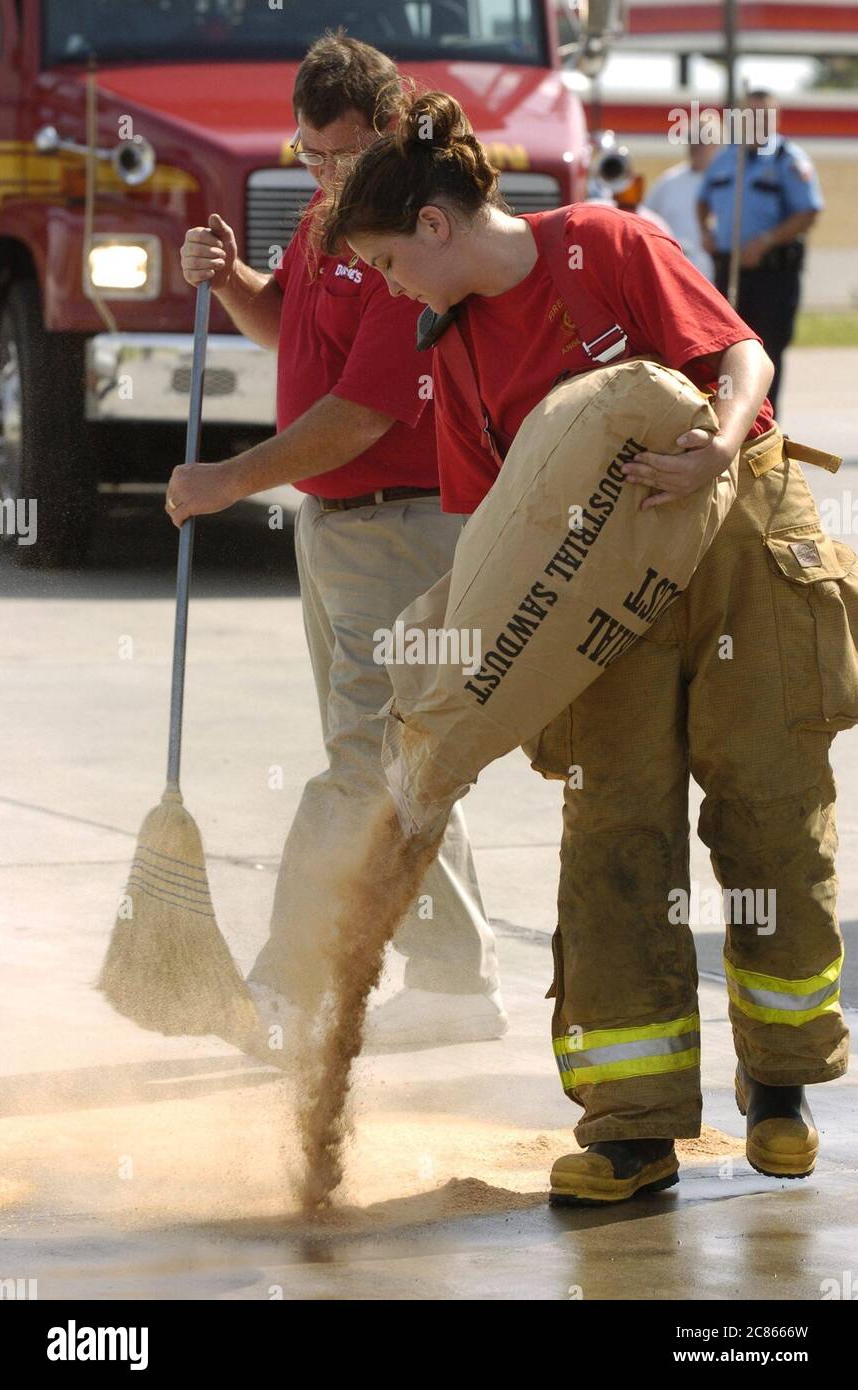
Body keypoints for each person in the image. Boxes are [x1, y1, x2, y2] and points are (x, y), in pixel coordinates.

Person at [321, 91, 852, 1204]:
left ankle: (785, 1086)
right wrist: (449, 694)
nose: (387, 287)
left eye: (384, 260)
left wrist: (712, 442)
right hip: (602, 592)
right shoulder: (456, 355)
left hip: (741, 527)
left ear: (433, 224)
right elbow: (493, 545)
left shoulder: (608, 243)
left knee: (769, 797)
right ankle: (631, 1129)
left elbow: (742, 356)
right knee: (615, 821)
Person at [169, 37, 505, 1052]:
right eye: (308, 155)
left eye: (342, 155)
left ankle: (283, 985)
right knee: (395, 756)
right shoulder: (332, 218)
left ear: (392, 129)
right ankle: (451, 981)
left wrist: (229, 478)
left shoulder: (410, 242)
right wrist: (233, 282)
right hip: (339, 530)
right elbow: (293, 335)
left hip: (405, 527)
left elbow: (360, 412)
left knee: (362, 763)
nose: (323, 175)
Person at [697, 89, 823, 414]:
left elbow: (808, 212)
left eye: (764, 114)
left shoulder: (788, 160)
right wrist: (706, 231)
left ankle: (764, 425)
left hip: (772, 275)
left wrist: (767, 240)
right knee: (725, 349)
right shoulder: (727, 157)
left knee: (767, 352)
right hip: (729, 270)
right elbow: (703, 198)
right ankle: (726, 421)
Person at [647, 120, 718, 280]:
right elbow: (646, 218)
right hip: (671, 270)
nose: (696, 146)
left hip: (712, 274)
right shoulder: (668, 181)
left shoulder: (725, 184)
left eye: (702, 141)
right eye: (692, 139)